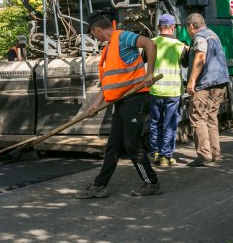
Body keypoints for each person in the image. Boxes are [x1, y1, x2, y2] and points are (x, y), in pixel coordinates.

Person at [76, 11, 161, 199]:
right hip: (121, 102)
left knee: (131, 143)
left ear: (97, 29)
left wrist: (149, 74)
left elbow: (150, 43)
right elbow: (108, 84)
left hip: (136, 98)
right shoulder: (108, 50)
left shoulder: (123, 37)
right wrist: (94, 106)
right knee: (113, 145)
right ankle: (99, 186)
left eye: (93, 34)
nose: (94, 38)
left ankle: (151, 183)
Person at [184, 13, 230, 167]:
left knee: (198, 118)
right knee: (211, 119)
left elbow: (200, 58)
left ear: (191, 26)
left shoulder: (199, 37)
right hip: (220, 83)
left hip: (206, 84)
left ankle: (204, 155)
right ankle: (215, 153)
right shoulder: (212, 34)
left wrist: (191, 81)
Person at [148, 14, 188, 167]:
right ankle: (166, 156)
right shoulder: (179, 45)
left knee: (155, 122)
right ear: (173, 28)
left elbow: (145, 60)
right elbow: (185, 64)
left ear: (159, 28)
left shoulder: (151, 43)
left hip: (155, 90)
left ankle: (156, 153)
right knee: (170, 124)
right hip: (173, 91)